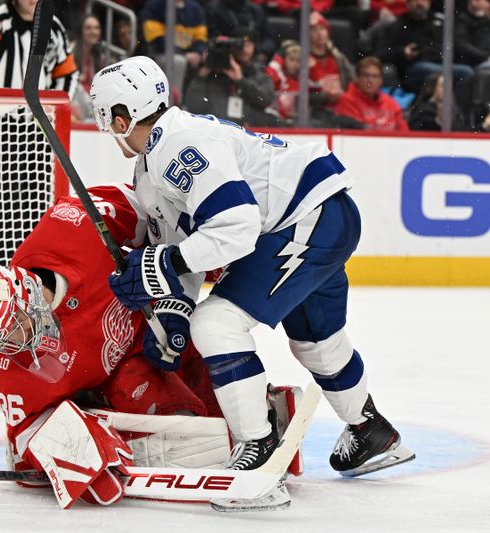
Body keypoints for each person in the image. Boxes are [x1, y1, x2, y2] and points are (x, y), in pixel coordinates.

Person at [89, 57, 415, 493]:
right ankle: (370, 430)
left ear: (119, 118)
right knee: (315, 340)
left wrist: (166, 265)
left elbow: (235, 226)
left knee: (216, 323)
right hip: (318, 214)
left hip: (305, 220)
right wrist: (172, 309)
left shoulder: (178, 145)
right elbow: (183, 245)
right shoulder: (156, 160)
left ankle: (257, 446)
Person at [0, 185, 231, 509]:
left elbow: (151, 209)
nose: (16, 341)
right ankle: (113, 434)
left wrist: (193, 251)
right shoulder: (9, 362)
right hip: (114, 381)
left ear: (27, 292)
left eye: (16, 323)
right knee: (185, 426)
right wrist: (68, 453)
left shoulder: (71, 227)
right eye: (1, 338)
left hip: (155, 324)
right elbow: (24, 433)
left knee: (216, 366)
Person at [0, 0, 78, 265]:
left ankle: (32, 270)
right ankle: (2, 269)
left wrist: (55, 106)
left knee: (36, 204)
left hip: (37, 125)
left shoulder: (53, 27)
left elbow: (66, 72)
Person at [184, 31, 279, 127]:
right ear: (230, 47)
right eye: (239, 46)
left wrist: (241, 81)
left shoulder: (259, 75)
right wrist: (205, 70)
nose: (243, 50)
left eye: (247, 45)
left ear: (255, 47)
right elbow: (192, 106)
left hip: (247, 131)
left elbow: (266, 100)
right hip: (214, 130)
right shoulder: (209, 75)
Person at [140, 0, 208, 103]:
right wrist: (184, 55)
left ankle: (196, 105)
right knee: (178, 61)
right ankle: (174, 104)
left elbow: (201, 38)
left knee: (210, 63)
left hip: (189, 56)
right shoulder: (155, 5)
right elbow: (156, 40)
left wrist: (198, 53)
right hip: (160, 55)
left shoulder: (195, 8)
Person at [334, 56, 409, 131]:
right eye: (366, 75)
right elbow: (355, 132)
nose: (370, 80)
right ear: (357, 78)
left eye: (375, 76)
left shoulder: (390, 103)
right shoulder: (346, 101)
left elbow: (404, 132)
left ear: (381, 80)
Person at [265, 40, 301, 121]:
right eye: (291, 59)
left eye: (298, 61)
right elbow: (270, 73)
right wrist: (279, 57)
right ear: (283, 59)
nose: (295, 64)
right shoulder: (279, 76)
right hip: (277, 120)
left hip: (297, 121)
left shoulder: (302, 79)